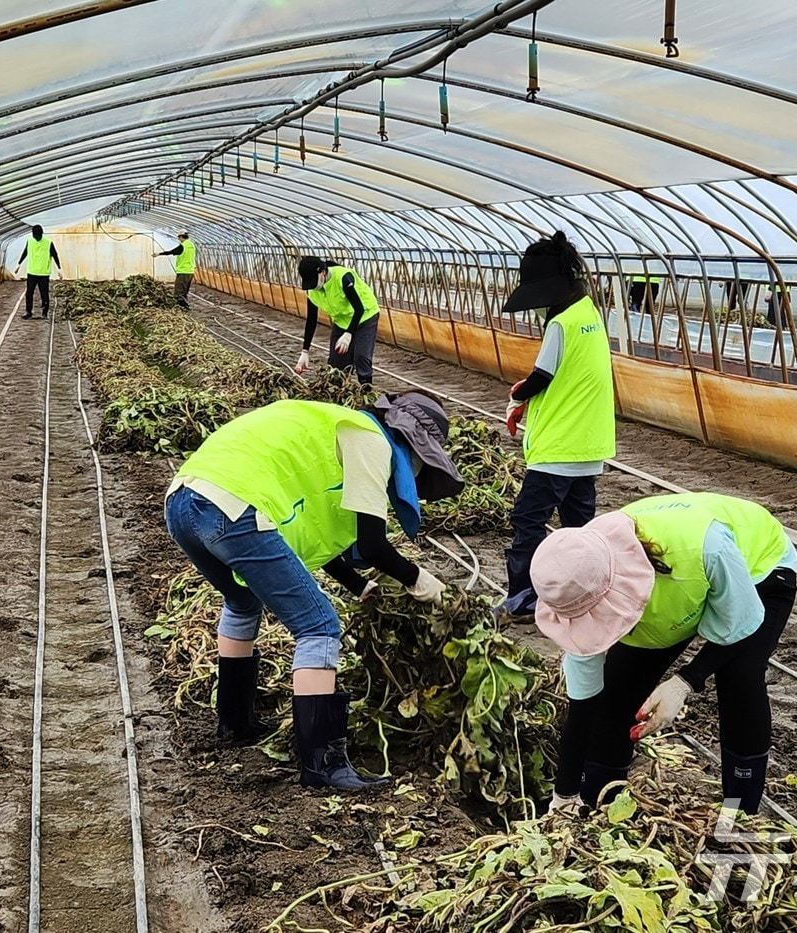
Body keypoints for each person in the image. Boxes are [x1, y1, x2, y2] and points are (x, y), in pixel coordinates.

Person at [165, 392, 464, 790]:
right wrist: (419, 580)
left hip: (185, 500)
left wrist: (358, 585)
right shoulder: (370, 441)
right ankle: (323, 765)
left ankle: (235, 722)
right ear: (411, 445)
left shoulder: (336, 427)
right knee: (319, 626)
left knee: (242, 601)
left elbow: (311, 530)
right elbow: (374, 545)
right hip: (233, 507)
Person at [530, 492, 797, 815]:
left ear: (621, 589)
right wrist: (565, 794)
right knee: (614, 700)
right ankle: (598, 804)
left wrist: (683, 683)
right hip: (677, 599)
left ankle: (739, 811)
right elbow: (584, 704)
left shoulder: (705, 548)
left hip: (758, 570)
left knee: (740, 677)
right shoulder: (577, 582)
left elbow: (743, 624)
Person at [495, 231, 616, 624]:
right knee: (581, 528)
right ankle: (587, 594)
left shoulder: (561, 323)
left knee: (527, 522)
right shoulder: (590, 315)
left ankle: (523, 599)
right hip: (589, 446)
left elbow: (542, 375)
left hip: (557, 449)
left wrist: (518, 396)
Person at [294, 257, 380, 386]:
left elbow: (359, 309)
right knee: (336, 363)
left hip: (365, 317)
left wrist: (348, 334)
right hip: (342, 321)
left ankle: (367, 392)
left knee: (361, 358)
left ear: (322, 272)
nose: (313, 286)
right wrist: (305, 351)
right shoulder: (312, 291)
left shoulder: (343, 278)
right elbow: (311, 320)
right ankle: (339, 393)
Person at [12, 225, 62, 319]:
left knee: (44, 294)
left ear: (42, 234)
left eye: (39, 236)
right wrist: (18, 264)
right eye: (36, 236)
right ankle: (28, 311)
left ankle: (44, 312)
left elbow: (55, 255)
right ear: (33, 234)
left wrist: (59, 269)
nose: (37, 237)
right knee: (29, 293)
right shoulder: (30, 241)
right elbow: (25, 252)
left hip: (44, 273)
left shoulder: (48, 242)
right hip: (32, 272)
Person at [153, 231, 196, 309]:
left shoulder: (183, 246)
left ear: (180, 237)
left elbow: (172, 252)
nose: (178, 239)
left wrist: (159, 254)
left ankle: (183, 308)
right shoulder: (191, 245)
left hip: (183, 271)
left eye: (179, 237)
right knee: (184, 291)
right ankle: (184, 306)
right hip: (190, 271)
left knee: (178, 292)